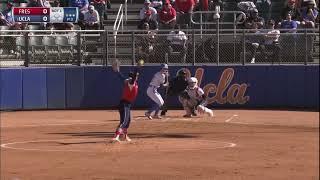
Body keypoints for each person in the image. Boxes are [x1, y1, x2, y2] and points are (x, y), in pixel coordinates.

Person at [112, 61, 141, 142]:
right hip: (124, 104)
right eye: (136, 76)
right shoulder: (131, 83)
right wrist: (137, 68)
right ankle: (116, 137)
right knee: (124, 122)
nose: (137, 77)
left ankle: (124, 136)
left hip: (126, 104)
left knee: (127, 121)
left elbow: (121, 78)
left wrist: (117, 71)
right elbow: (134, 76)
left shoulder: (129, 82)